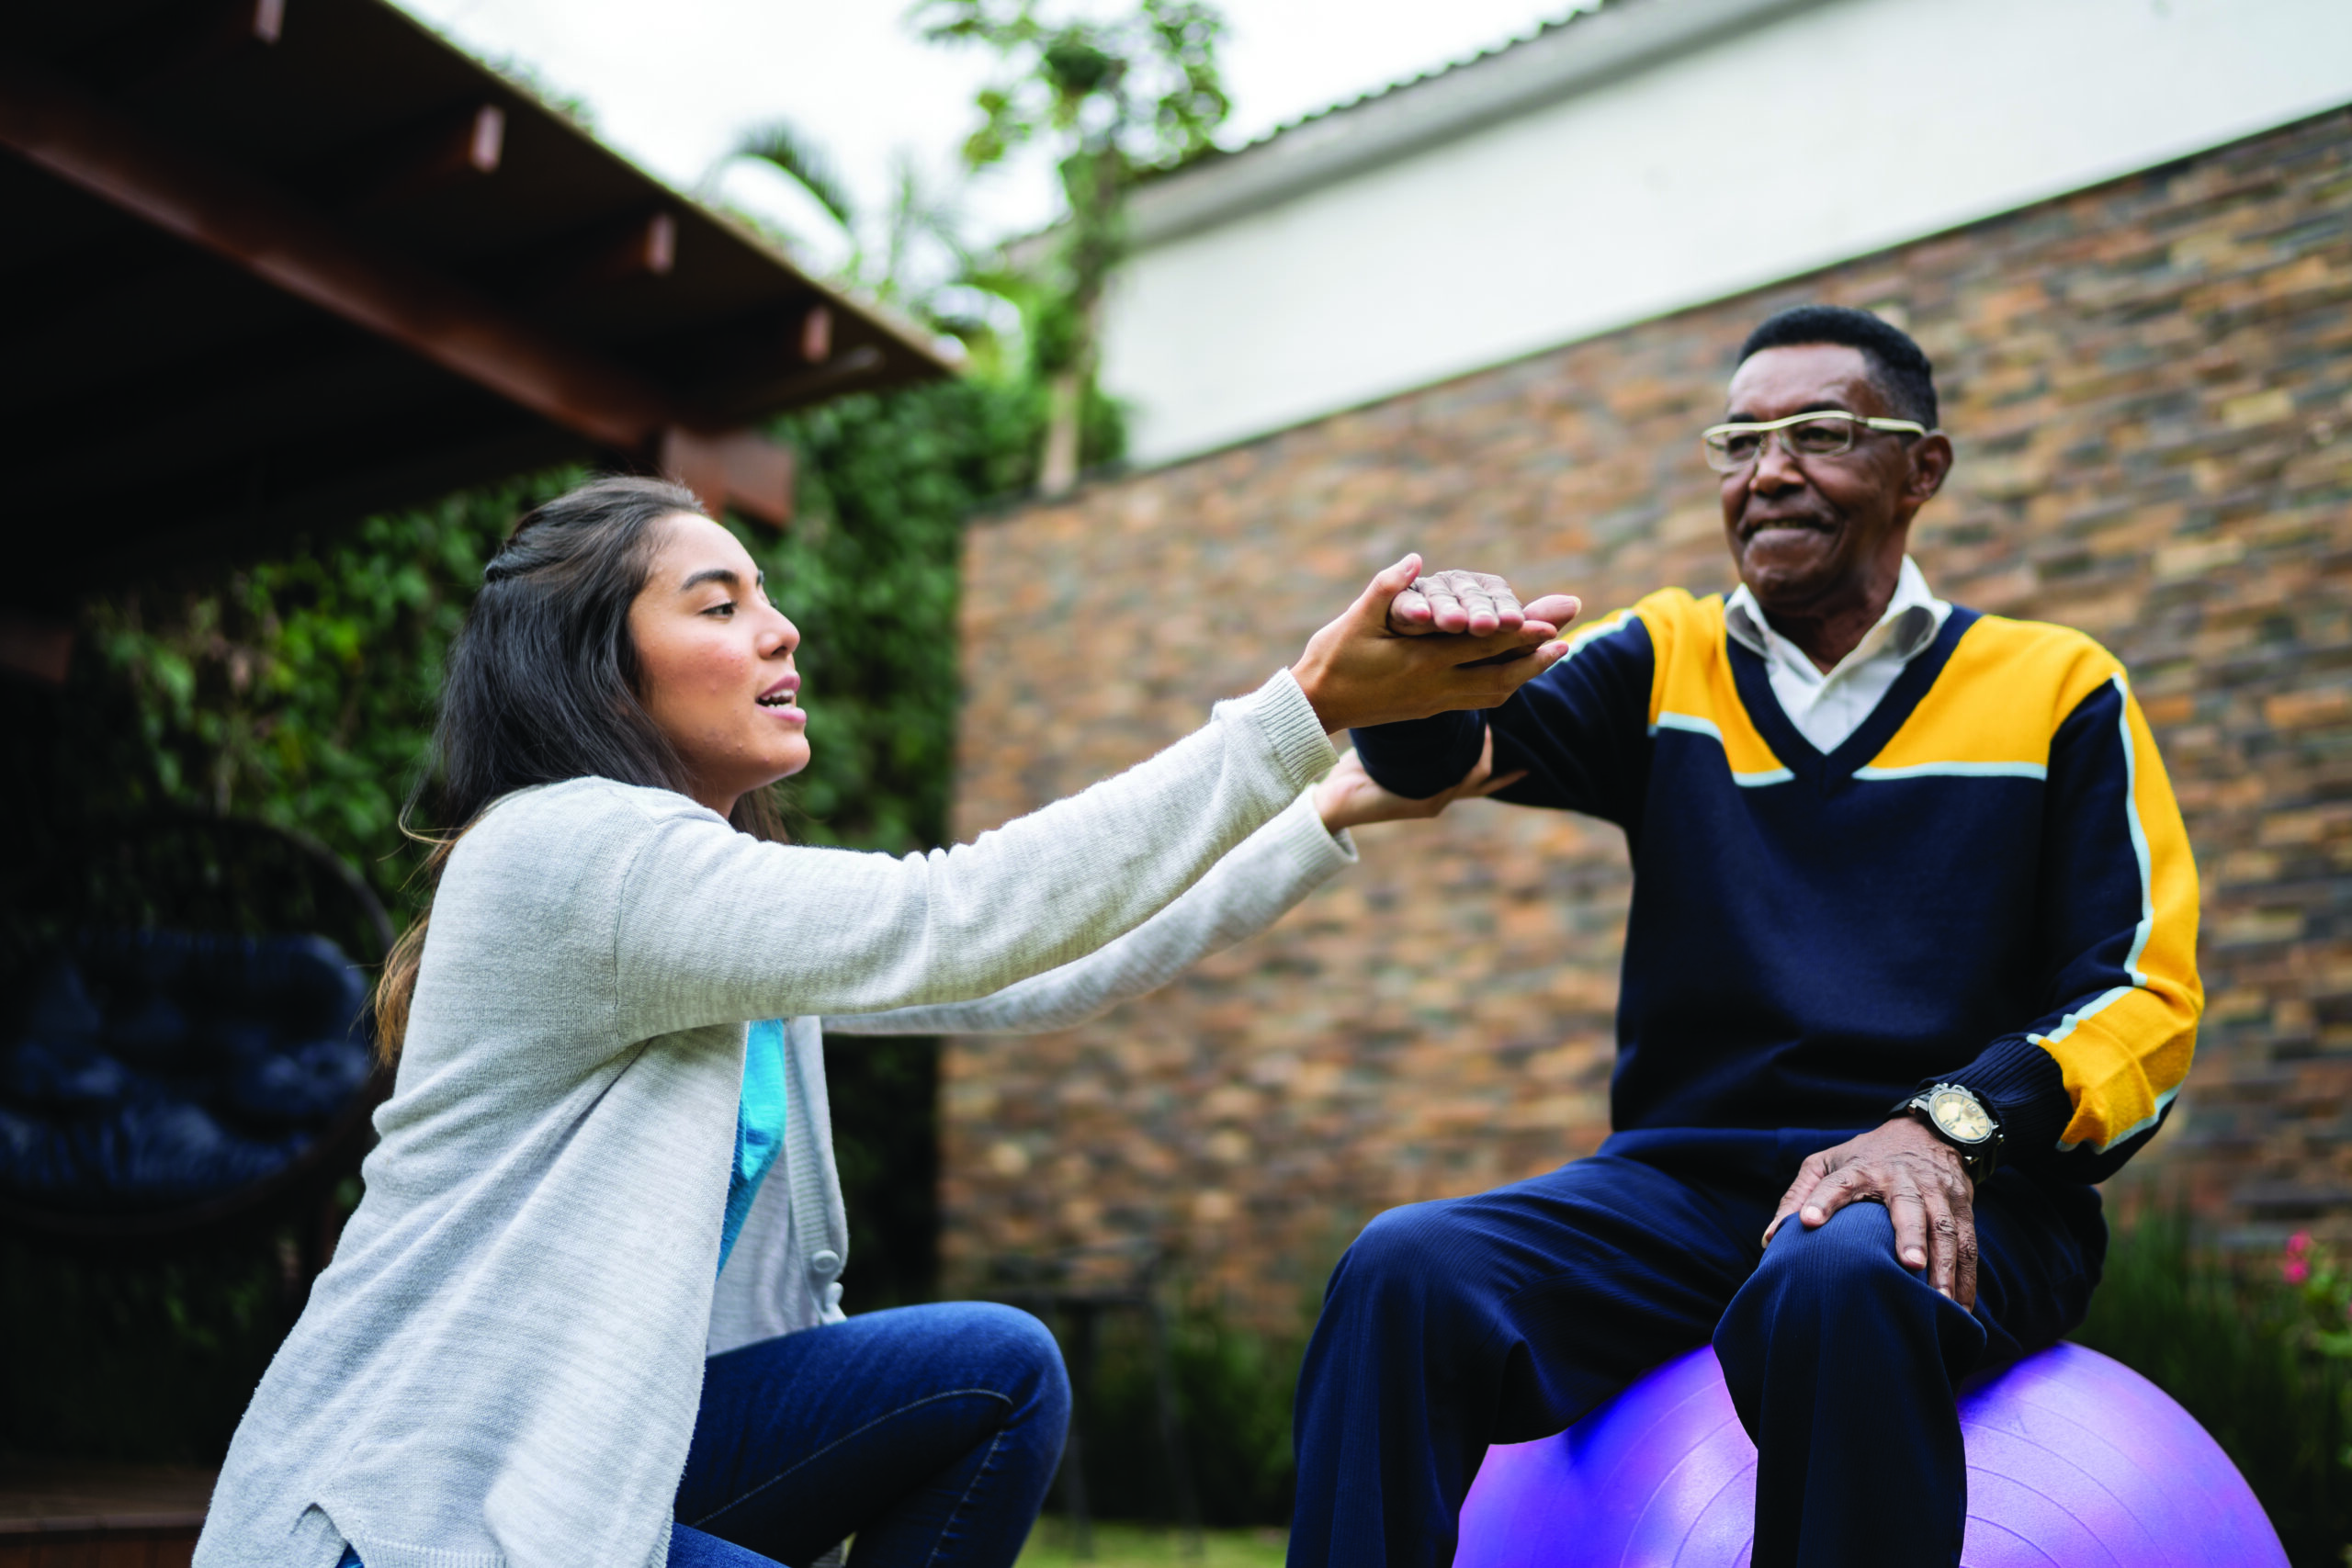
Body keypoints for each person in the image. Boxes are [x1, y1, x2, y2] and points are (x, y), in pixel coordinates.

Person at [192, 476, 1575, 1568]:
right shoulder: (574, 853)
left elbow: (1029, 968)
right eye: (719, 604)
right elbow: (954, 912)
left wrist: (1320, 809)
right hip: (421, 1507)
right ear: (601, 674)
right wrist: (1299, 710)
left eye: (765, 600)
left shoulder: (701, 911)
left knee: (993, 1369)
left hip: (593, 1455)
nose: (780, 629)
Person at [1295, 305, 2203, 1568]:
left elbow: (2145, 1000)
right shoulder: (1665, 660)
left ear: (1920, 468)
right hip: (1685, 1187)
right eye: (1739, 441)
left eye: (1820, 432)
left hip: (1959, 1196)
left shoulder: (2059, 686)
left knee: (1838, 1277)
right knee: (1407, 1270)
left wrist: (1947, 1123)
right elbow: (1460, 748)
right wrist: (1423, 674)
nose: (1768, 469)